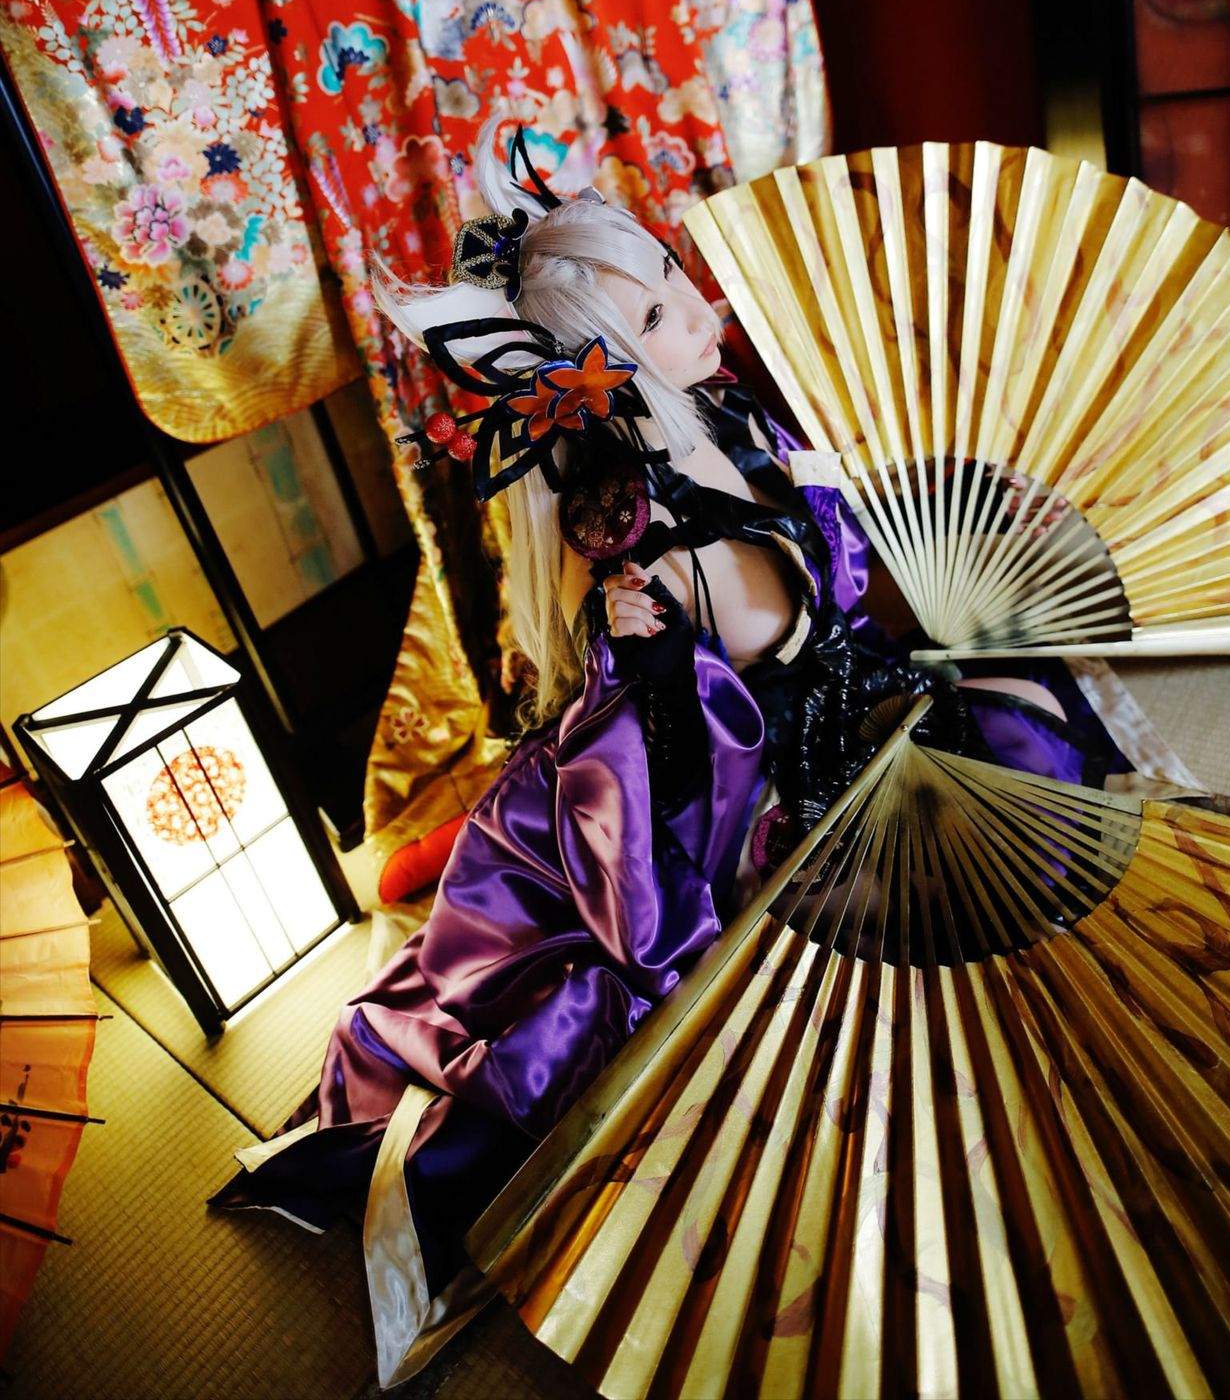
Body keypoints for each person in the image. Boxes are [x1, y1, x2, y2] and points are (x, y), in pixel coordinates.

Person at [208, 115, 1135, 1384]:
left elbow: (843, 564)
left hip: (854, 698)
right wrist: (661, 666)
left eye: (670, 275)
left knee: (1031, 685)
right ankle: (442, 879)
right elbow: (672, 797)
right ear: (592, 370)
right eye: (653, 314)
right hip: (765, 798)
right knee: (968, 839)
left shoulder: (722, 409)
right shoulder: (645, 543)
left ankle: (440, 854)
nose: (700, 310)